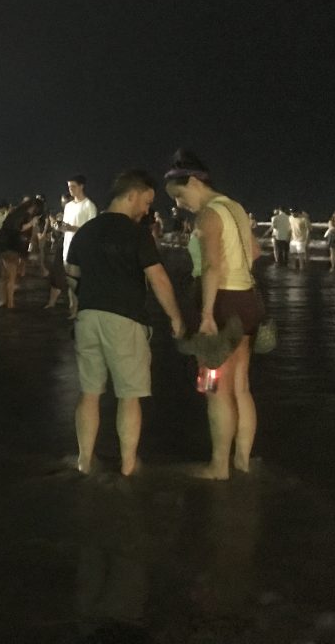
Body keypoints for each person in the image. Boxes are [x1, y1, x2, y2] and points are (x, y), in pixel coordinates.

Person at [66, 170, 183, 476]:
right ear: (132, 195)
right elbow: (157, 278)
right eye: (145, 202)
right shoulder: (136, 233)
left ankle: (84, 461)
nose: (146, 210)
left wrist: (76, 309)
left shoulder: (85, 231)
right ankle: (129, 466)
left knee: (89, 393)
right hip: (125, 319)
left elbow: (71, 276)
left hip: (87, 318)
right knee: (129, 396)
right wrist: (176, 319)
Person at [165, 150, 262, 479]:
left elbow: (210, 266)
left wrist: (206, 314)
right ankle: (243, 461)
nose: (179, 205)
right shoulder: (234, 207)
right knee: (241, 387)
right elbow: (257, 250)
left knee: (216, 388)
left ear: (194, 182)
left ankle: (219, 466)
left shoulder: (208, 214)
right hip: (247, 300)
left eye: (180, 196)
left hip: (221, 304)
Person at [0, 198, 43, 309]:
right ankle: (10, 304)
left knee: (3, 276)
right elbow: (19, 228)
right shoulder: (24, 216)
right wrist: (32, 223)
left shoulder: (14, 213)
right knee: (11, 277)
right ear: (33, 207)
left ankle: (2, 301)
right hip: (10, 247)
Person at [61, 175, 98, 318]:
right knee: (70, 280)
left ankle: (81, 309)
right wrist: (61, 227)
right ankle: (73, 308)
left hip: (82, 249)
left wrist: (71, 228)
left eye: (73, 186)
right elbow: (66, 226)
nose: (70, 189)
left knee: (80, 281)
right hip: (67, 247)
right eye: (69, 187)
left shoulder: (89, 206)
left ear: (82, 186)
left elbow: (92, 230)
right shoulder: (69, 206)